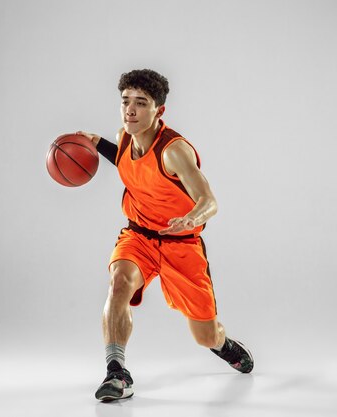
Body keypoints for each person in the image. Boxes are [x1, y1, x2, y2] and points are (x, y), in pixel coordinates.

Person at [76, 69, 253, 402]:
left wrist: (191, 218)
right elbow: (129, 164)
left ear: (159, 110)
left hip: (180, 244)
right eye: (125, 101)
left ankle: (223, 344)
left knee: (205, 335)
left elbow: (209, 200)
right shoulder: (126, 137)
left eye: (141, 103)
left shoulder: (174, 151)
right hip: (139, 235)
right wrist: (96, 142)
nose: (130, 110)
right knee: (119, 284)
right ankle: (117, 372)